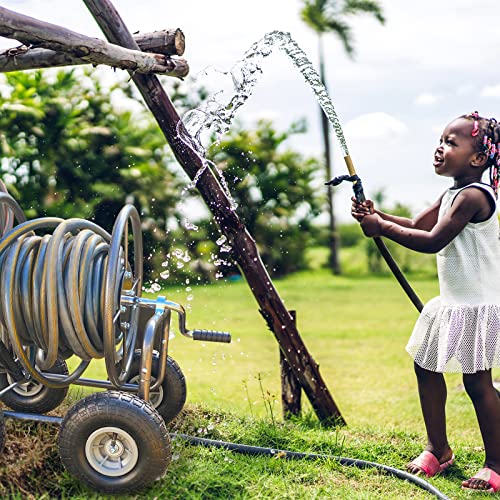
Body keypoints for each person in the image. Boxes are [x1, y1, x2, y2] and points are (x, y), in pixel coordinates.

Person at [351, 112, 500, 493]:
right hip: (453, 303)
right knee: (425, 367)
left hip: (476, 306)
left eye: (452, 142)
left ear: (478, 159)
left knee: (478, 383)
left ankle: (496, 464)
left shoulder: (474, 196)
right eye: (441, 138)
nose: (440, 147)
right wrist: (376, 215)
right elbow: (419, 225)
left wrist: (381, 228)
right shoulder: (452, 193)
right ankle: (438, 449)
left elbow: (433, 240)